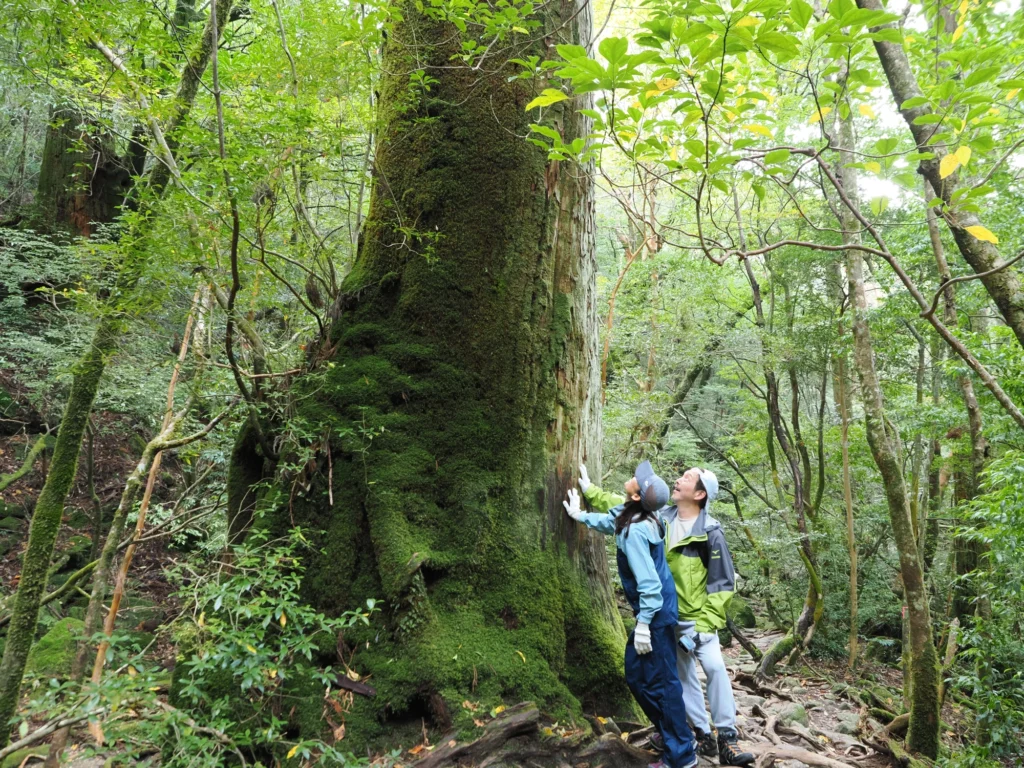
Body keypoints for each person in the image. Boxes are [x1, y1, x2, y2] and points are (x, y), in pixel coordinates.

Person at [578, 463, 754, 767]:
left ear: (699, 494)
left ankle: (727, 737)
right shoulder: (662, 518)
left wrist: (703, 625)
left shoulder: (710, 532)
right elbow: (625, 508)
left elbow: (723, 583)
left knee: (713, 668)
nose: (677, 480)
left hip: (699, 619)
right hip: (667, 616)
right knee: (681, 678)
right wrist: (590, 492)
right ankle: (701, 734)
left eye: (686, 479)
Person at [564, 461, 697, 768]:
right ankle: (670, 734)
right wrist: (579, 514)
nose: (635, 477)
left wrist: (643, 626)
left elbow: (650, 585)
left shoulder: (638, 530)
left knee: (662, 684)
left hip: (656, 614)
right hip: (652, 614)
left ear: (638, 496)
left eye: (640, 480)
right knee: (638, 676)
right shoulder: (636, 514)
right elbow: (613, 520)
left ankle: (682, 756)